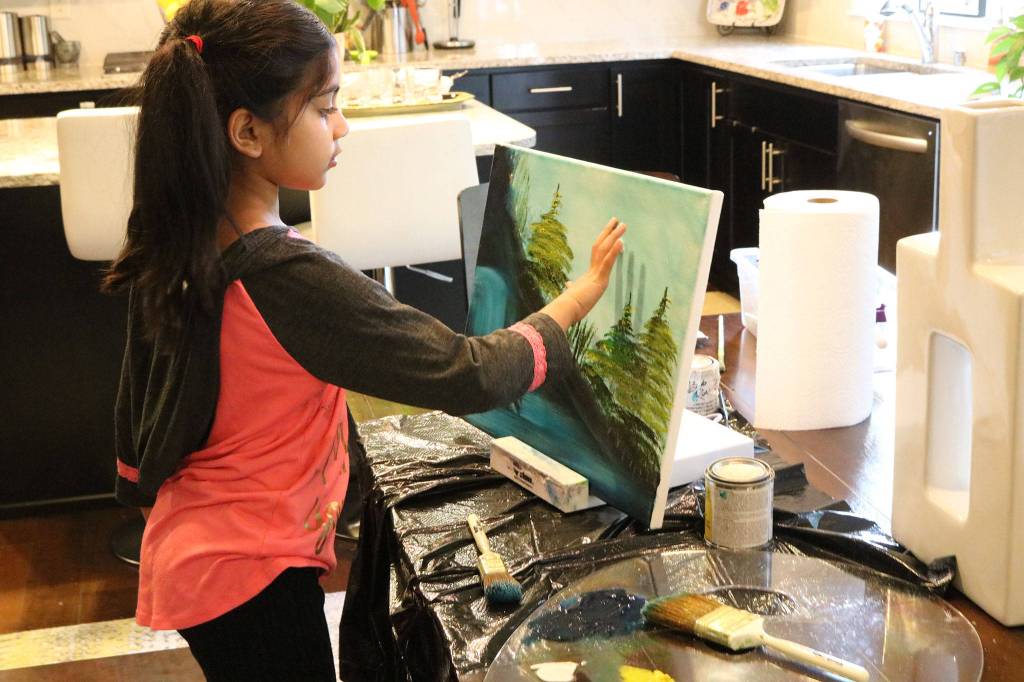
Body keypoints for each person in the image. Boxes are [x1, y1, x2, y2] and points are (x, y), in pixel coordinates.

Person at [102, 1, 625, 680]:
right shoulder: (286, 277)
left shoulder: (187, 234)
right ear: (248, 132)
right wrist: (577, 299)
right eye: (324, 108)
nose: (341, 125)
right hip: (247, 571)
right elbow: (465, 373)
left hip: (209, 553)